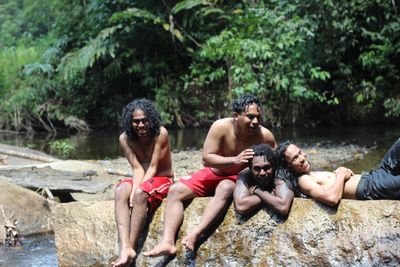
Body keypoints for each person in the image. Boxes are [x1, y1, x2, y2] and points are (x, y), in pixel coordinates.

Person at [143, 94, 276, 255]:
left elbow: (275, 161)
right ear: (236, 116)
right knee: (175, 190)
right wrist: (235, 160)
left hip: (240, 178)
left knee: (225, 187)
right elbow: (207, 158)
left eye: (258, 117)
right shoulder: (220, 127)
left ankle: (195, 234)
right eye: (250, 117)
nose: (255, 122)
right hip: (213, 172)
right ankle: (167, 242)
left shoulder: (265, 135)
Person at [112, 99, 174, 267]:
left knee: (139, 194)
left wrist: (136, 193)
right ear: (129, 122)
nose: (140, 125)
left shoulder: (161, 133)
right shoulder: (125, 138)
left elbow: (153, 167)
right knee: (121, 189)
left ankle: (130, 250)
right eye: (136, 121)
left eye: (144, 120)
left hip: (162, 178)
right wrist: (131, 193)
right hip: (143, 178)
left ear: (151, 120)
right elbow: (137, 169)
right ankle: (124, 247)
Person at [277, 138, 400, 206]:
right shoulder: (302, 181)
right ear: (288, 166)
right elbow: (332, 198)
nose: (302, 158)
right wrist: (341, 174)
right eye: (295, 158)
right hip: (372, 187)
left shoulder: (308, 174)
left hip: (377, 174)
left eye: (299, 152)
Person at [233, 144, 294, 216]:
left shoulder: (280, 173)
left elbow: (283, 207)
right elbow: (241, 206)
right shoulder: (245, 174)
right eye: (257, 169)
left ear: (273, 166)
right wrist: (270, 195)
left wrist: (257, 190)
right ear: (250, 167)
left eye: (267, 167)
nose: (262, 173)